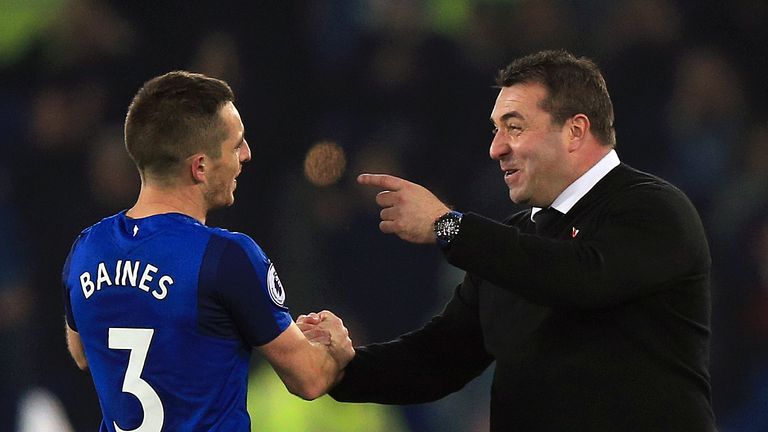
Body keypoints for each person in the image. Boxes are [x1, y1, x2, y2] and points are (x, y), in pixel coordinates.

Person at [299, 50, 715, 430]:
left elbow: (577, 279)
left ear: (575, 131)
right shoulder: (510, 242)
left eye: (513, 128)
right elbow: (439, 359)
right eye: (495, 130)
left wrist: (449, 227)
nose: (496, 148)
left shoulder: (654, 210)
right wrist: (342, 368)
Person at [62, 71, 354, 431]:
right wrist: (336, 346)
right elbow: (309, 379)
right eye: (236, 145)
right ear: (200, 167)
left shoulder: (87, 249)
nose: (246, 155)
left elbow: (81, 353)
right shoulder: (225, 257)